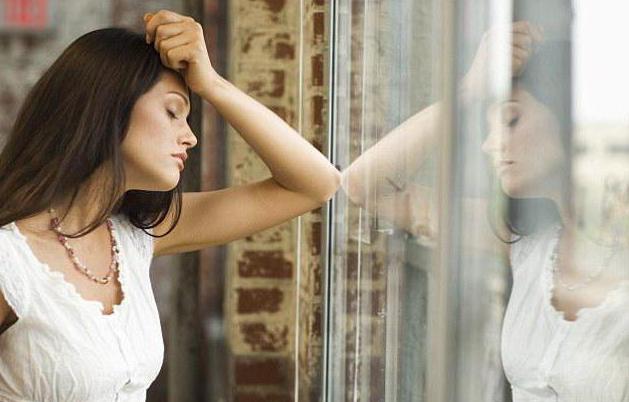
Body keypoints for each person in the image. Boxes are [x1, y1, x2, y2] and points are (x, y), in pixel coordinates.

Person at [0, 9, 340, 401]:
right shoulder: (12, 260)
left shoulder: (132, 237)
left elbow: (316, 184)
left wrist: (211, 84)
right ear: (109, 107)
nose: (190, 138)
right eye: (173, 111)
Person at [340, 18, 629, 401]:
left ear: (572, 118)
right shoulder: (528, 245)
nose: (489, 145)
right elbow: (364, 186)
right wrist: (469, 88)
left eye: (510, 120)